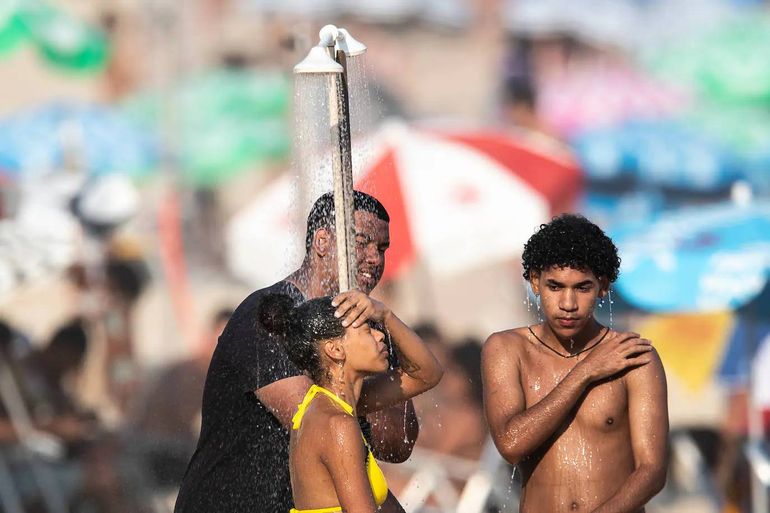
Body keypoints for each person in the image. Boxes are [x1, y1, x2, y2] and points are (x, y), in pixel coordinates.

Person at [175, 191, 420, 513]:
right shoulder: (270, 317)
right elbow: (316, 422)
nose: (375, 259)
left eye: (382, 248)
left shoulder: (370, 328)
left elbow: (397, 444)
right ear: (322, 242)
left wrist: (376, 354)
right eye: (362, 243)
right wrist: (369, 380)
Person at [482, 214, 668, 513]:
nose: (568, 304)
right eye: (555, 287)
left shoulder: (633, 357)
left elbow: (652, 471)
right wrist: (585, 372)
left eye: (582, 288)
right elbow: (511, 445)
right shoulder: (506, 349)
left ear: (602, 286)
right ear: (535, 283)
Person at [258, 288, 442, 512]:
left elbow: (427, 374)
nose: (380, 335)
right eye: (366, 330)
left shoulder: (334, 403)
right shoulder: (337, 423)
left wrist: (386, 315)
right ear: (336, 349)